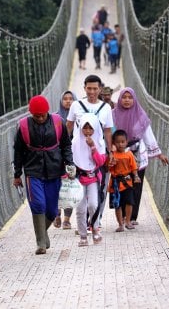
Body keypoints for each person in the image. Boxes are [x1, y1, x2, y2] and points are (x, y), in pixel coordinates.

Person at [13, 95, 76, 255]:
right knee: (38, 204)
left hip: (55, 170)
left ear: (47, 111)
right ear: (31, 114)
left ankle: (43, 232)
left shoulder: (58, 122)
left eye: (43, 115)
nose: (40, 118)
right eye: (36, 116)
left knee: (53, 210)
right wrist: (17, 174)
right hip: (33, 171)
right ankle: (41, 243)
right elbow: (18, 152)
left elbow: (66, 145)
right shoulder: (23, 126)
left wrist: (69, 163)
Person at [112, 88, 169, 225]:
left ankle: (132, 217)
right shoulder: (112, 115)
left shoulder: (140, 116)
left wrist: (159, 154)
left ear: (134, 99)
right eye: (124, 97)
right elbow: (108, 133)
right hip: (119, 156)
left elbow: (148, 135)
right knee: (121, 185)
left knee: (136, 185)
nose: (126, 100)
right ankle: (123, 217)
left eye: (129, 97)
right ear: (119, 99)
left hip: (137, 156)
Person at [66, 75, 115, 231]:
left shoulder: (106, 108)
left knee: (98, 189)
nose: (92, 92)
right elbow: (68, 127)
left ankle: (94, 222)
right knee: (80, 190)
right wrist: (64, 149)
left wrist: (110, 151)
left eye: (95, 88)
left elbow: (107, 131)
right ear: (84, 88)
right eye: (89, 88)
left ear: (100, 89)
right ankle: (83, 223)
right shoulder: (76, 105)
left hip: (97, 156)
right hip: (78, 156)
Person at [72, 113, 108, 246]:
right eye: (85, 128)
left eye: (90, 128)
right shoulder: (75, 142)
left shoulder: (99, 141)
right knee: (80, 209)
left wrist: (93, 147)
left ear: (95, 129)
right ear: (80, 128)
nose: (87, 131)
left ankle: (95, 230)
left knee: (93, 204)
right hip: (79, 179)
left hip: (93, 178)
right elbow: (70, 160)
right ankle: (82, 236)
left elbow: (100, 162)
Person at [107, 129, 141, 232]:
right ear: (113, 143)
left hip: (127, 182)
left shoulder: (129, 154)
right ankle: (120, 224)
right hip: (116, 184)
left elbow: (133, 167)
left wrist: (136, 176)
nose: (120, 144)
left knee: (129, 202)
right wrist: (111, 164)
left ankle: (128, 221)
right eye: (118, 142)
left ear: (126, 142)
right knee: (118, 204)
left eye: (123, 142)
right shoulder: (113, 155)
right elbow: (109, 169)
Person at [54, 90, 76, 229]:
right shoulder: (54, 118)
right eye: (65, 99)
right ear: (61, 101)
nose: (68, 101)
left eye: (71, 99)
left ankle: (67, 219)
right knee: (56, 187)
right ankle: (57, 213)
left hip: (74, 157)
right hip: (57, 158)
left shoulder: (79, 117)